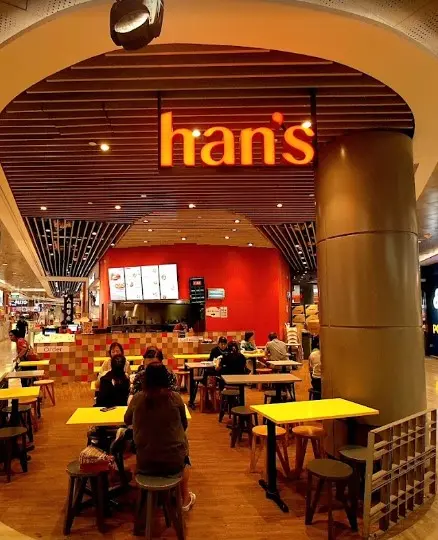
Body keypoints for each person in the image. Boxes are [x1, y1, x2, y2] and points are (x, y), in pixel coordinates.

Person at [124, 362, 196, 511]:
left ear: (145, 379)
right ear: (165, 378)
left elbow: (127, 420)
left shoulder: (137, 398)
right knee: (184, 445)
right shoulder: (175, 398)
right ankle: (185, 498)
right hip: (173, 463)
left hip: (145, 463)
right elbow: (184, 425)